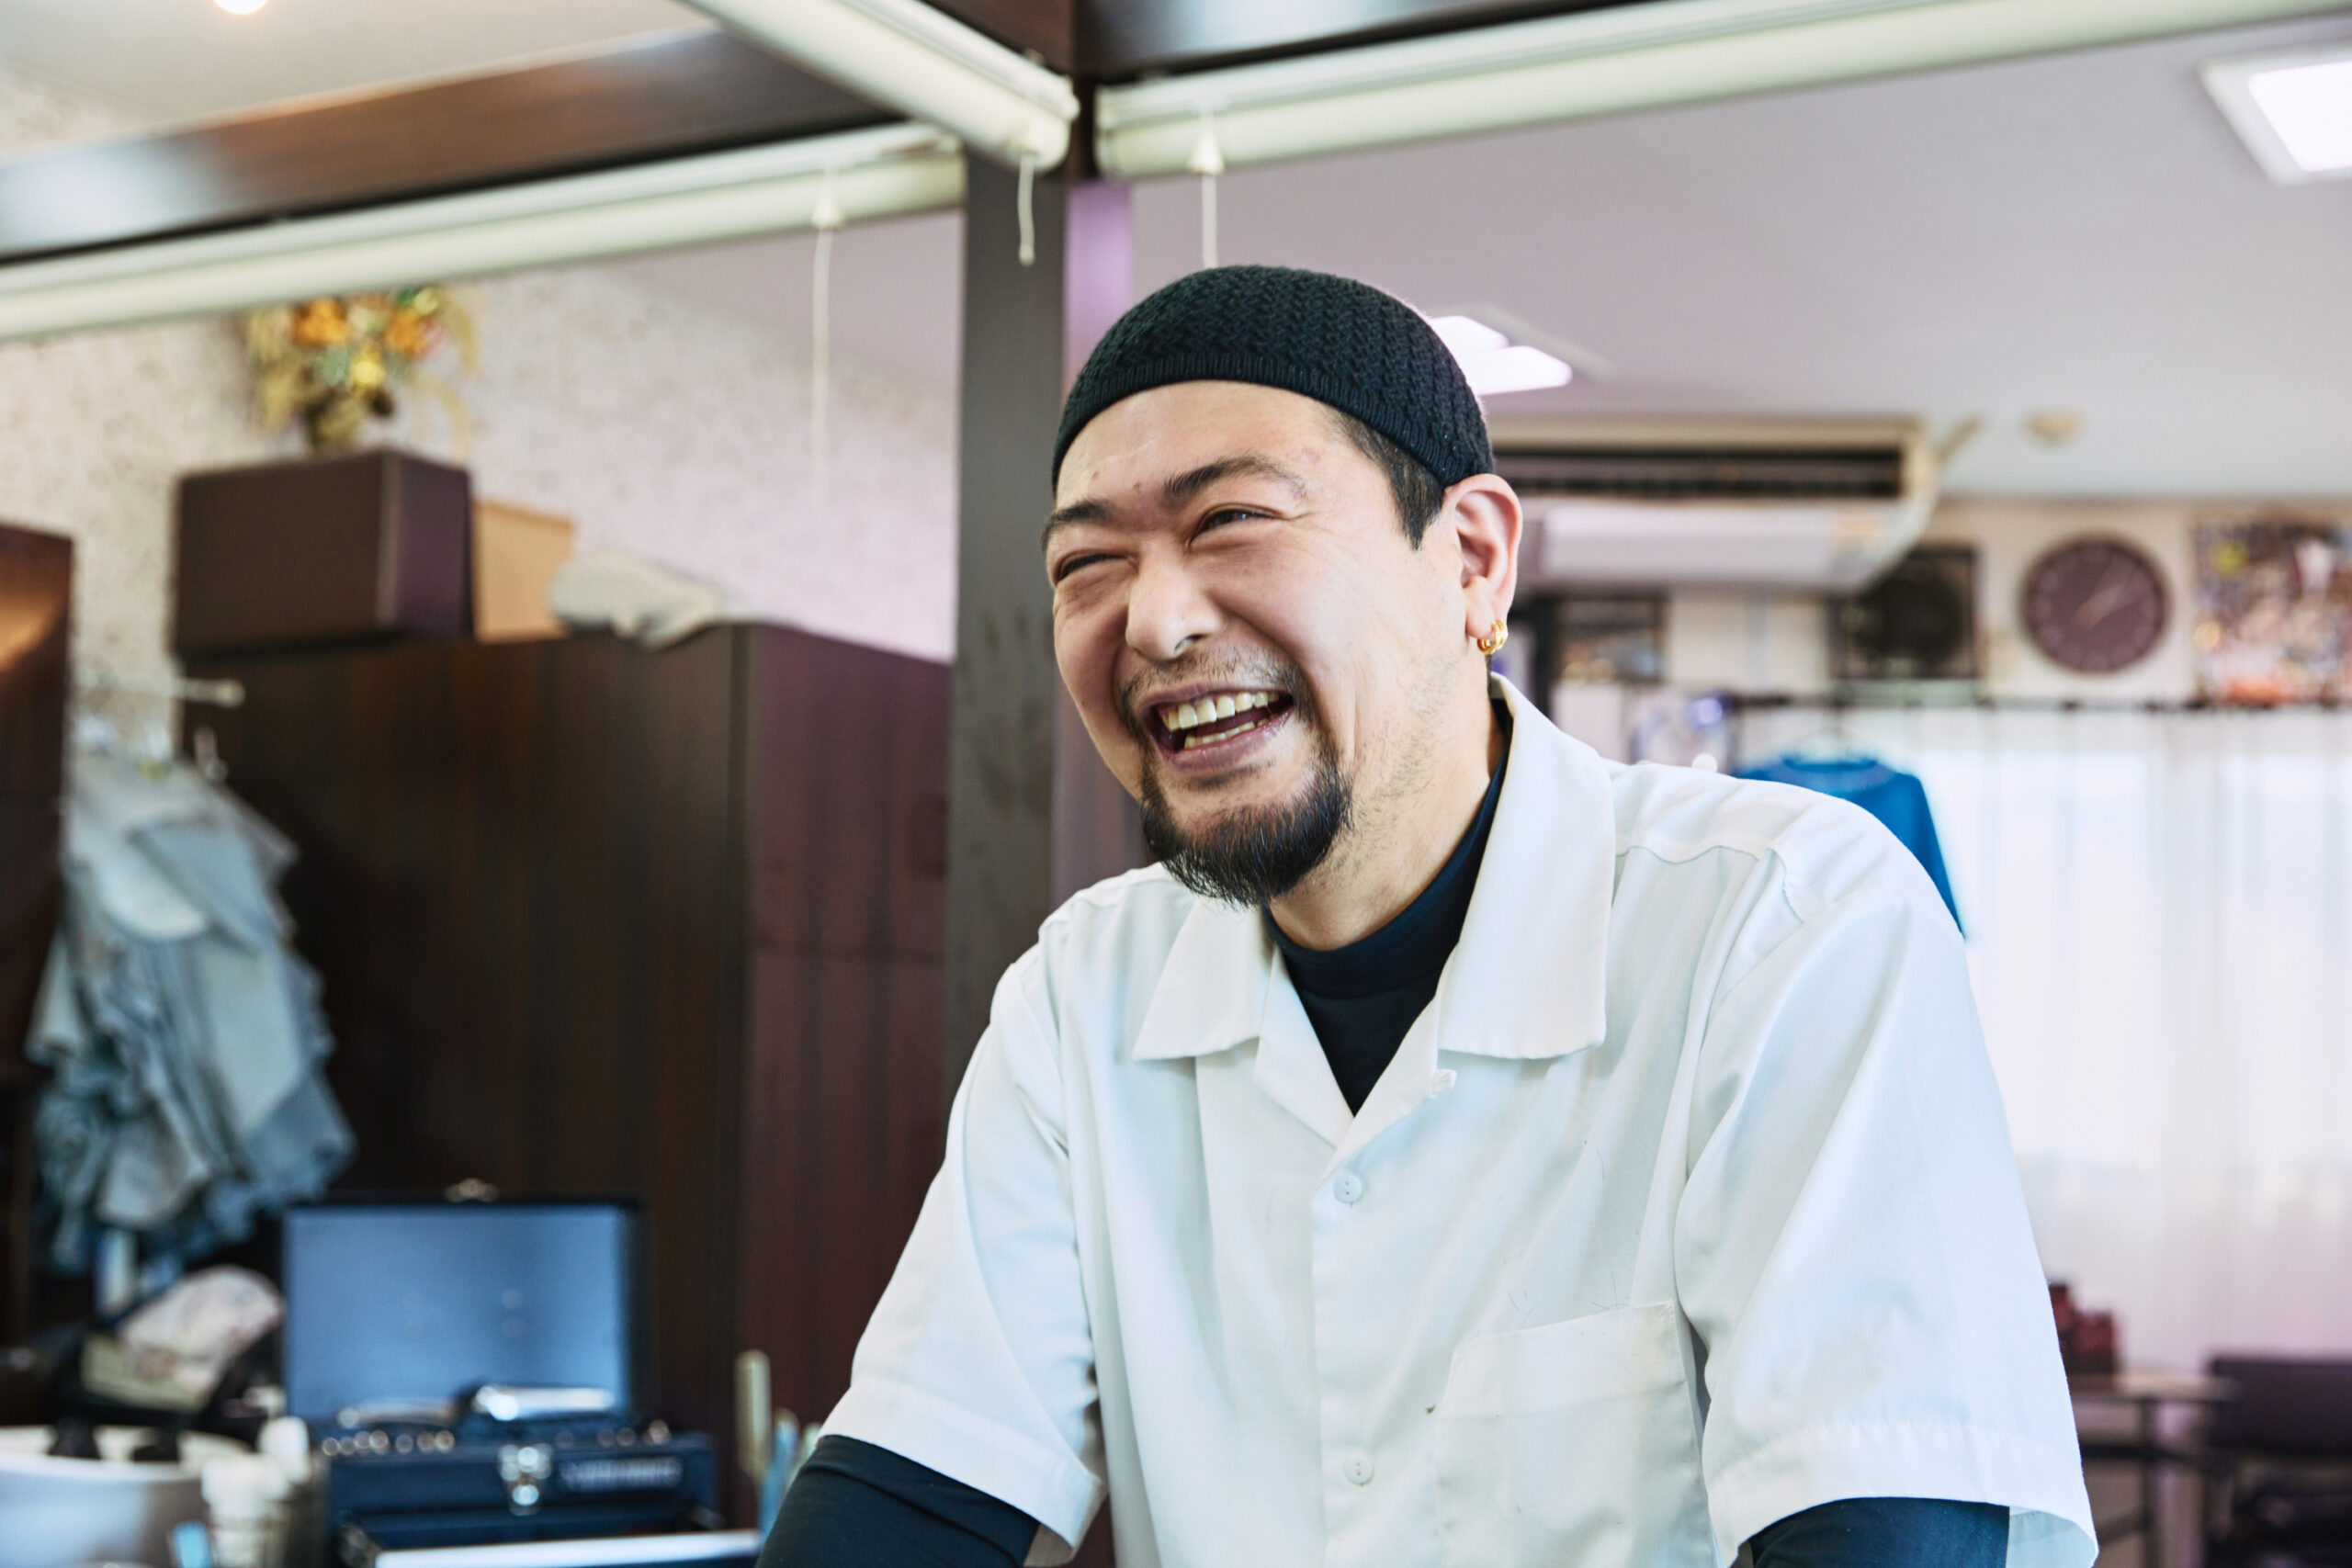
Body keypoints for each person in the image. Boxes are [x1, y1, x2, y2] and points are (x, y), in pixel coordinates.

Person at [760, 266, 2093, 1568]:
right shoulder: (1082, 998)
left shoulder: (1784, 921)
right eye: (1087, 564)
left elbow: (1892, 1518)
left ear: (1471, 560)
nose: (1153, 620)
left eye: (1232, 520)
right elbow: (921, 1488)